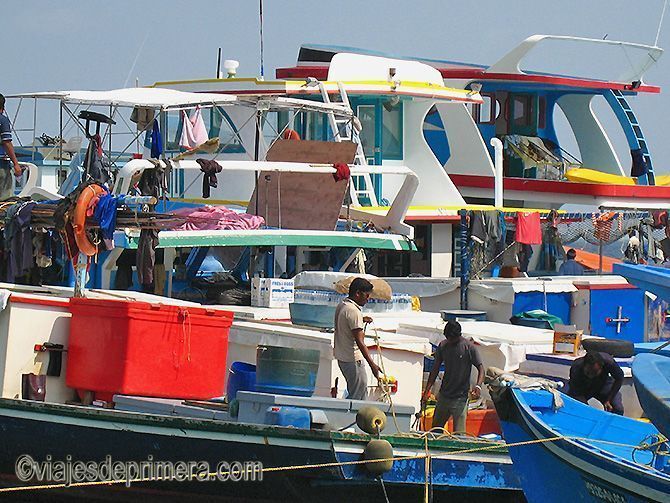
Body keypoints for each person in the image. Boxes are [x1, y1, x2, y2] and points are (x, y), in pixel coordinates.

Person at [421, 320, 484, 433]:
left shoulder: (469, 348)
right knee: (435, 431)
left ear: (458, 336)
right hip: (444, 396)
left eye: (451, 339)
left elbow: (481, 368)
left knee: (459, 434)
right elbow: (435, 369)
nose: (449, 341)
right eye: (447, 338)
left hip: (461, 398)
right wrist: (427, 391)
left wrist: (478, 386)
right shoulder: (443, 346)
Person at [333, 277, 382, 400]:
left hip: (342, 358)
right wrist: (373, 365)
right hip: (353, 360)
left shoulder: (343, 305)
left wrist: (361, 319)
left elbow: (347, 321)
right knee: (359, 397)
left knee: (355, 393)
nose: (368, 298)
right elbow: (360, 342)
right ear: (358, 293)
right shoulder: (353, 311)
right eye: (366, 295)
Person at [567, 351, 624, 415]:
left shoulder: (608, 362)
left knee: (617, 408)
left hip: (603, 384)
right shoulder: (576, 367)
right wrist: (586, 410)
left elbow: (619, 378)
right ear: (583, 366)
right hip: (582, 387)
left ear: (601, 368)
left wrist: (609, 399)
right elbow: (576, 391)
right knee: (582, 410)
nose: (591, 376)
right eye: (588, 372)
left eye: (594, 372)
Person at [0, 94, 22, 200]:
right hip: (1, 165)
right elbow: (7, 142)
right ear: (3, 108)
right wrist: (16, 164)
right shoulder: (2, 120)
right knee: (4, 199)